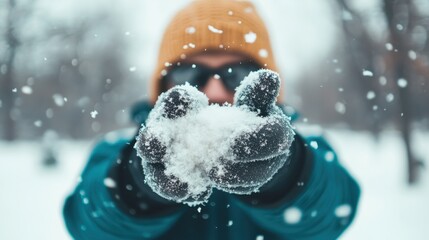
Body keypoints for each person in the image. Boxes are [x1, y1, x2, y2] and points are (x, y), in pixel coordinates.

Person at [63, 0, 360, 239]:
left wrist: (285, 175)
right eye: (190, 74)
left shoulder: (310, 148)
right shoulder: (115, 152)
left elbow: (332, 216)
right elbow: (86, 224)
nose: (215, 89)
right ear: (163, 86)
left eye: (237, 74)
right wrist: (138, 187)